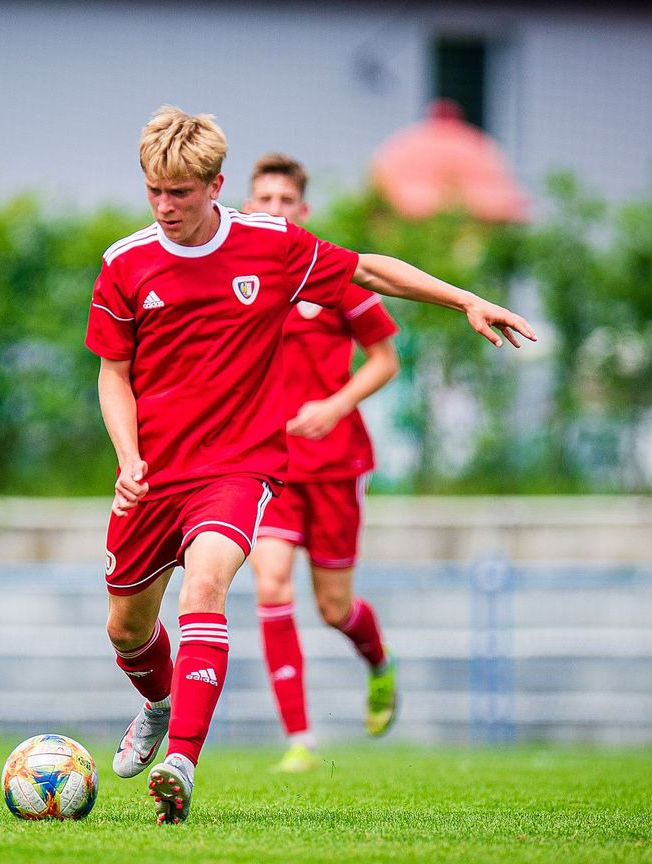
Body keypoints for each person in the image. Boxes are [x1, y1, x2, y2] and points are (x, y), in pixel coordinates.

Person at [85, 106, 533, 825]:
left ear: (215, 186)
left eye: (180, 192)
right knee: (125, 630)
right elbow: (113, 374)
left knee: (208, 586)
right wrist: (129, 456)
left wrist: (465, 299)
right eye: (154, 191)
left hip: (239, 467)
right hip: (154, 472)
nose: (165, 206)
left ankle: (184, 763)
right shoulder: (125, 263)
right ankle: (159, 703)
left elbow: (369, 269)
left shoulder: (269, 246)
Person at [242, 153, 400, 774]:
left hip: (336, 463)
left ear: (303, 211)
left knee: (334, 608)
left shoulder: (331, 276)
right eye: (264, 200)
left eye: (286, 201)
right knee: (271, 582)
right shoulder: (238, 280)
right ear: (246, 206)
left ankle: (378, 662)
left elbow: (385, 359)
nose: (275, 210)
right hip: (271, 464)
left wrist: (335, 406)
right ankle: (300, 740)